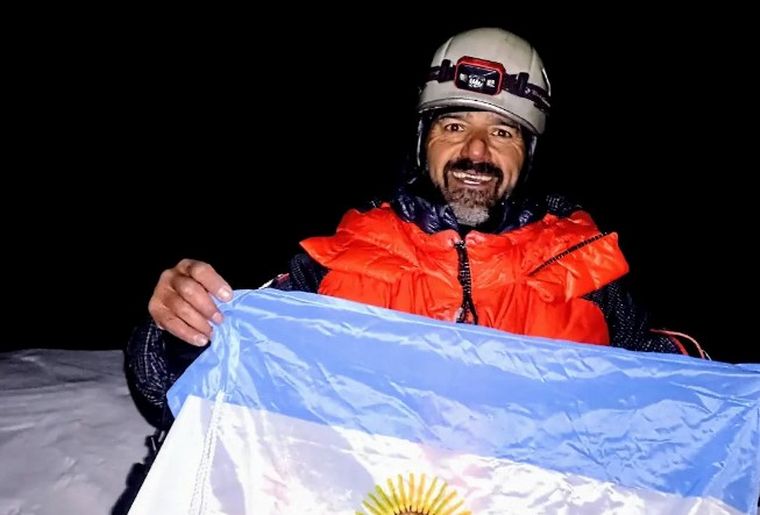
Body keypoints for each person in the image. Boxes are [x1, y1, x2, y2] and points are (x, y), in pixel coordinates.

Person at [125, 26, 698, 430]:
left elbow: (679, 401)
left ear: (529, 156)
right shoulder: (336, 264)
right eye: (454, 125)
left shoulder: (587, 273)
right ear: (424, 143)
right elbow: (167, 390)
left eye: (502, 133)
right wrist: (180, 328)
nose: (476, 152)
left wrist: (708, 385)